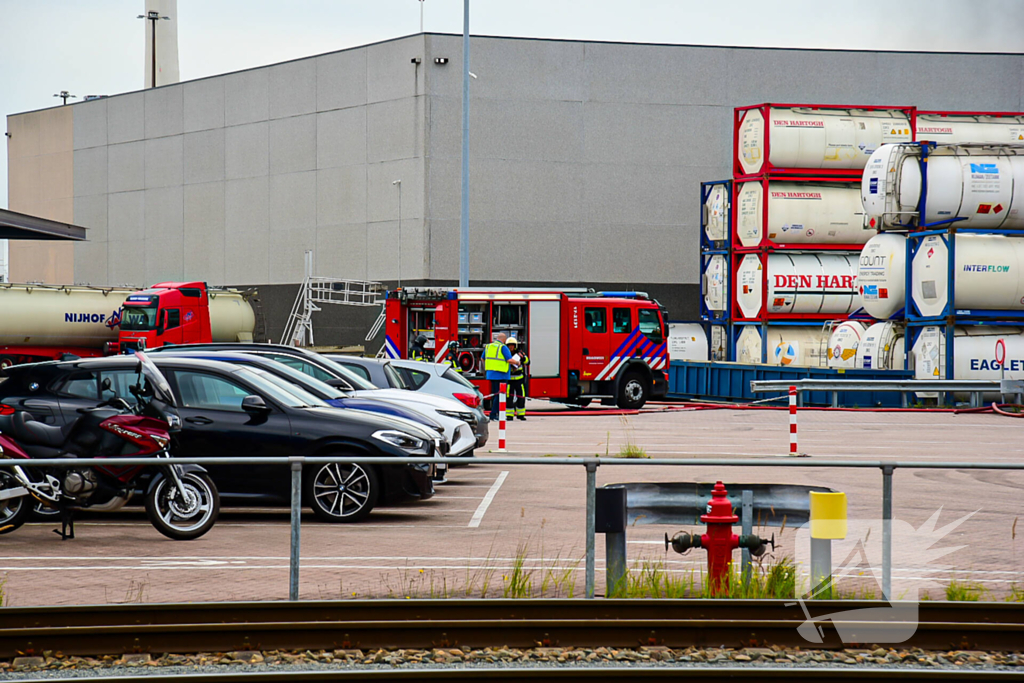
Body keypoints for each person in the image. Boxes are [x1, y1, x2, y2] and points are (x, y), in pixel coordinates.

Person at [483, 332, 519, 420]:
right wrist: (517, 362)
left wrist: (488, 368)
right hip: (502, 375)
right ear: (504, 340)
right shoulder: (503, 347)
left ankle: (496, 414)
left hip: (491, 374)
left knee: (495, 395)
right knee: (499, 396)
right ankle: (494, 414)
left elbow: (482, 358)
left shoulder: (488, 347)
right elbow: (509, 360)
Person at [505, 338, 529, 420]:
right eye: (509, 346)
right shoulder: (506, 354)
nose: (511, 347)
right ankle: (509, 415)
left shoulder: (519, 353)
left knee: (521, 397)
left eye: (512, 346)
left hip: (519, 380)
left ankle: (521, 414)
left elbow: (528, 362)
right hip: (509, 380)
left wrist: (523, 358)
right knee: (509, 398)